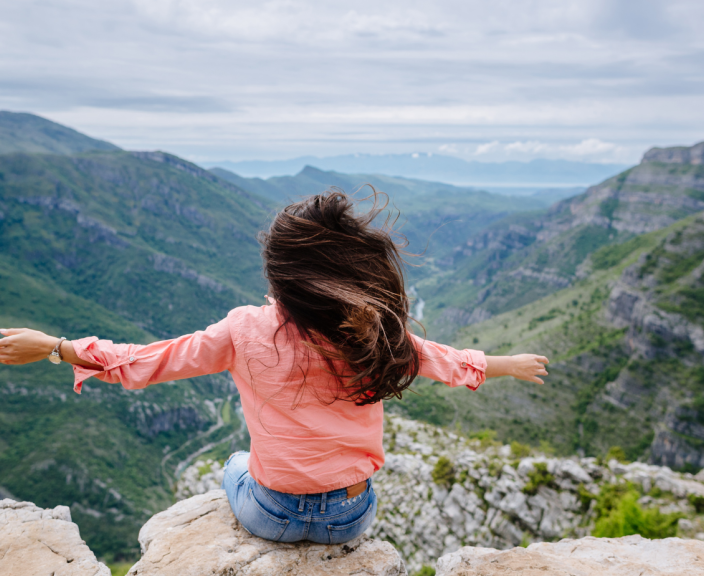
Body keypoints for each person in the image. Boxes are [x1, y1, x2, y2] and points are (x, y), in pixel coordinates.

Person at [0, 190, 548, 545]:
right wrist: (508, 364)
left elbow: (149, 361)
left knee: (235, 460)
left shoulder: (242, 329)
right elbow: (444, 361)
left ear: (283, 281)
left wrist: (56, 346)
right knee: (269, 468)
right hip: (352, 516)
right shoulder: (371, 332)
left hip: (272, 513)